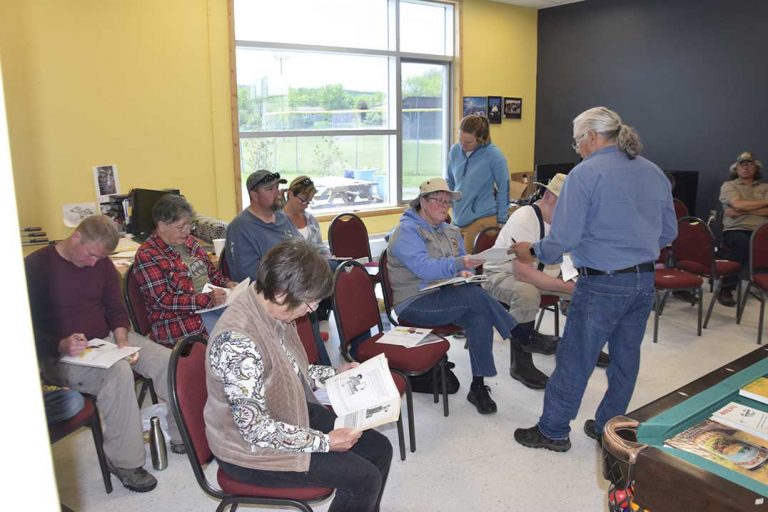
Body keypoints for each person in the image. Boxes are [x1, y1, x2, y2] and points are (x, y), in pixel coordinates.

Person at [509, 107, 676, 451]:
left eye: (577, 142)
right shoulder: (654, 171)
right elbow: (669, 231)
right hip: (643, 282)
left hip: (601, 284)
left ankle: (553, 431)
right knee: (625, 358)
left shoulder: (585, 174)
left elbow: (563, 240)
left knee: (575, 357)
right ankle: (609, 429)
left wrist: (533, 251)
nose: (578, 149)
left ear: (590, 137)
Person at [205, 238, 392, 512]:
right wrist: (325, 443)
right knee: (363, 479)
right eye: (310, 303)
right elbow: (255, 430)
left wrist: (334, 374)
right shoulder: (237, 343)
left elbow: (289, 368)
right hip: (249, 452)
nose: (312, 311)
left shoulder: (274, 309)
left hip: (285, 413)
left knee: (379, 449)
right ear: (281, 293)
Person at [26, 215, 183, 492]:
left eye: (100, 258)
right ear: (76, 238)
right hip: (61, 355)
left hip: (106, 341)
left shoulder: (102, 264)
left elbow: (114, 307)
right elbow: (25, 328)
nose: (94, 263)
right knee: (118, 372)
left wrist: (121, 333)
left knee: (166, 361)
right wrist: (60, 343)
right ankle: (125, 461)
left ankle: (181, 433)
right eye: (91, 255)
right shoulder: (36, 267)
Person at [387, 178, 519, 415]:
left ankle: (478, 385)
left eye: (448, 202)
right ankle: (516, 333)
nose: (445, 206)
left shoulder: (451, 231)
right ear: (422, 202)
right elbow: (425, 269)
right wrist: (461, 262)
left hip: (446, 295)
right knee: (473, 296)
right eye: (439, 200)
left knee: (479, 316)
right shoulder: (405, 232)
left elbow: (459, 262)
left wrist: (464, 270)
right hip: (413, 302)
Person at [483, 173, 573, 390]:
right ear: (550, 196)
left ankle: (581, 347)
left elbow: (570, 260)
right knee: (527, 293)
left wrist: (575, 284)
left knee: (589, 291)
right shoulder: (525, 218)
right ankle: (520, 363)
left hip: (541, 277)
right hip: (502, 276)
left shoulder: (564, 222)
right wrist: (566, 287)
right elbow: (523, 273)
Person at [134, 194, 235, 345]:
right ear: (162, 226)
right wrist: (207, 299)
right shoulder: (148, 255)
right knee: (232, 340)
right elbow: (164, 300)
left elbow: (211, 273)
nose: (187, 232)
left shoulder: (190, 242)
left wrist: (227, 284)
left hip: (211, 305)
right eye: (181, 227)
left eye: (190, 225)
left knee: (253, 321)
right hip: (181, 320)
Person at [446, 114, 510, 254]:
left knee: (469, 267)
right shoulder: (455, 150)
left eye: (468, 142)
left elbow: (503, 188)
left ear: (482, 139)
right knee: (453, 263)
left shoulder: (494, 155)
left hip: (482, 218)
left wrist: (502, 221)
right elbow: (450, 181)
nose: (463, 145)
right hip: (458, 219)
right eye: (460, 140)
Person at [225, 169, 299, 282]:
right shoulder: (240, 228)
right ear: (254, 196)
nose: (277, 193)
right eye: (270, 189)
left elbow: (304, 247)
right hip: (273, 290)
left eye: (277, 188)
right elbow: (247, 276)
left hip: (300, 280)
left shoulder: (282, 217)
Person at [718, 151, 768, 307]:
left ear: (756, 169)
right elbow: (737, 204)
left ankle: (762, 284)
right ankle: (726, 288)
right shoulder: (729, 186)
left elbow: (739, 207)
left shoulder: (765, 187)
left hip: (762, 230)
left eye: (750, 164)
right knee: (742, 243)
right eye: (742, 165)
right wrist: (763, 203)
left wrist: (742, 210)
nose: (746, 167)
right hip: (736, 229)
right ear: (736, 169)